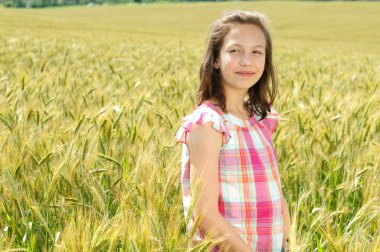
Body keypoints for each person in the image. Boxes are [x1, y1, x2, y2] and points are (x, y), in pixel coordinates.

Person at [175, 10, 291, 251]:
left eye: (256, 52)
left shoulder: (261, 119)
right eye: (235, 51)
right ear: (216, 59)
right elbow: (204, 212)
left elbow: (275, 191)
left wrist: (288, 241)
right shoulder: (208, 124)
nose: (247, 60)